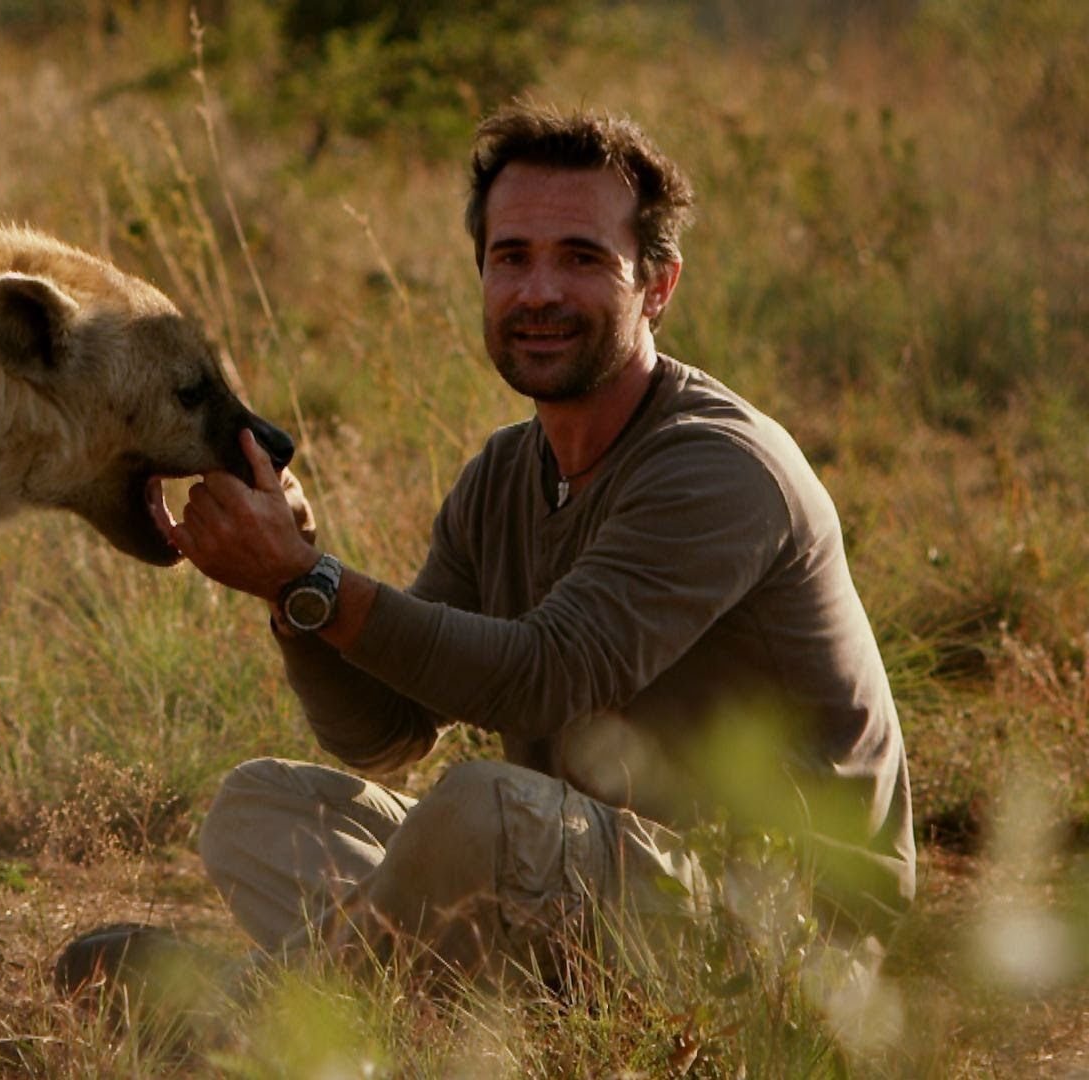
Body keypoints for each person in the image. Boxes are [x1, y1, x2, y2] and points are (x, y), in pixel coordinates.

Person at [151, 104, 915, 983]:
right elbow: (386, 734)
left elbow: (546, 675)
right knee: (262, 806)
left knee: (484, 809)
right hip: (591, 896)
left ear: (658, 287)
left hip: (780, 934)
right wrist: (292, 592)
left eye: (582, 259)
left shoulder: (719, 466)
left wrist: (311, 577)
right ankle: (411, 992)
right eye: (512, 257)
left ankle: (274, 1006)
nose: (539, 293)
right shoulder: (506, 473)